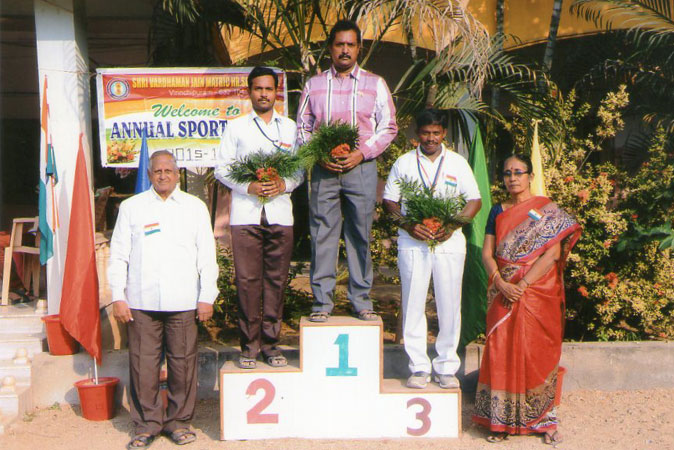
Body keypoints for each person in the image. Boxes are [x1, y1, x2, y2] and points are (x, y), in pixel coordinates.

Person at [108, 151, 218, 449]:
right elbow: (118, 254)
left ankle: (179, 422)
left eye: (169, 170)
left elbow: (207, 256)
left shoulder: (195, 208)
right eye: (157, 170)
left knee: (183, 365)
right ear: (149, 173)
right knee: (144, 365)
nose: (163, 175)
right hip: (142, 302)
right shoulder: (132, 208)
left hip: (183, 301)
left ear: (178, 173)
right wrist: (118, 295)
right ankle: (146, 425)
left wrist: (207, 296)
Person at [472, 154, 581, 445]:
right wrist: (500, 282)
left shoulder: (547, 210)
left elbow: (553, 254)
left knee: (537, 351)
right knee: (501, 349)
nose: (512, 178)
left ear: (530, 176)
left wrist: (523, 284)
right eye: (507, 173)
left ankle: (543, 419)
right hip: (503, 289)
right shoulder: (498, 210)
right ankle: (501, 420)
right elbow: (487, 253)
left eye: (518, 172)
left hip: (536, 292)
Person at [297, 19, 398, 322]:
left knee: (359, 234)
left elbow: (389, 126)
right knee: (323, 234)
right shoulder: (314, 84)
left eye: (350, 45)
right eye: (339, 44)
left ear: (359, 49)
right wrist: (319, 153)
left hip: (361, 168)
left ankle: (361, 300)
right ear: (330, 48)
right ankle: (322, 304)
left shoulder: (375, 83)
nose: (344, 50)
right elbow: (302, 127)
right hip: (325, 170)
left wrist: (362, 153)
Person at [383, 109, 482, 389]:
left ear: (444, 134)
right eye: (425, 133)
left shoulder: (458, 163)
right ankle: (418, 367)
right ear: (417, 134)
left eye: (436, 133)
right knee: (413, 303)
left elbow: (474, 200)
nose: (430, 138)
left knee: (449, 304)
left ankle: (446, 366)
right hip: (413, 241)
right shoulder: (404, 163)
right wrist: (409, 224)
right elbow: (389, 201)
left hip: (449, 242)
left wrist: (452, 225)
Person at [215, 66, 302, 369]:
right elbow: (222, 168)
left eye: (269, 89)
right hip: (246, 215)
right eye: (258, 89)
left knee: (276, 281)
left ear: (277, 92)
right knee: (248, 281)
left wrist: (284, 184)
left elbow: (300, 169)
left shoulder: (290, 128)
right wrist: (248, 185)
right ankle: (249, 347)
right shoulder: (236, 127)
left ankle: (272, 345)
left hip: (280, 213)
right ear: (248, 91)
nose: (263, 94)